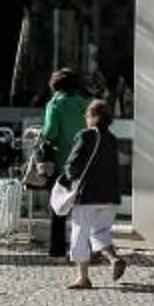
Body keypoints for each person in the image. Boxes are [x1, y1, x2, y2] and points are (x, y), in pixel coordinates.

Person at [61, 96, 127, 289]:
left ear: (92, 116)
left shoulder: (86, 136)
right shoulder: (112, 139)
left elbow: (72, 165)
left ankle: (83, 277)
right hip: (110, 196)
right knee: (100, 232)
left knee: (80, 234)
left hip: (88, 195)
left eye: (87, 114)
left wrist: (67, 177)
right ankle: (113, 259)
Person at [36, 68, 89, 260]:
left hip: (60, 162)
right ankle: (84, 249)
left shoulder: (55, 104)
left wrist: (37, 133)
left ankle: (57, 251)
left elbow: (51, 132)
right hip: (81, 161)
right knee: (81, 209)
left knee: (58, 207)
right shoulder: (83, 104)